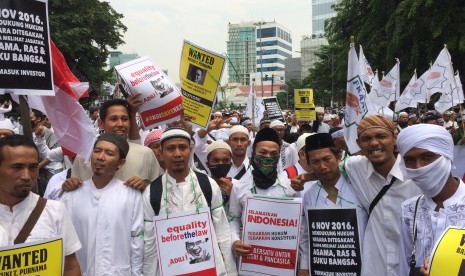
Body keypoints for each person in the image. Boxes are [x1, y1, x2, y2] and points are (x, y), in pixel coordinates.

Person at [292, 115, 420, 275]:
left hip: (409, 265)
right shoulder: (356, 169)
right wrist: (305, 177)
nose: (374, 143)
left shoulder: (416, 175)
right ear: (359, 144)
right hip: (374, 267)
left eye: (381, 136)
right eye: (366, 138)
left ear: (394, 138)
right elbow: (327, 170)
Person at [142, 128, 237, 275]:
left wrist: (231, 272)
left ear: (190, 150)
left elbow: (222, 233)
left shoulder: (208, 185)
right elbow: (150, 244)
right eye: (171, 148)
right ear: (161, 152)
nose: (177, 154)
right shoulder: (152, 192)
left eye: (183, 147)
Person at [60, 133, 143, 275]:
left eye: (109, 153)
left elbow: (137, 242)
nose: (100, 157)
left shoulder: (131, 195)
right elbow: (62, 241)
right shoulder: (71, 195)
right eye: (97, 151)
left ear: (120, 163)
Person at [0, 134, 81, 275]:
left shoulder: (55, 211)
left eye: (32, 167)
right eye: (17, 167)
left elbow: (70, 266)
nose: (26, 176)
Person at [397, 124, 465, 275]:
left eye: (427, 156)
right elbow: (404, 265)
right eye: (409, 160)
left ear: (446, 155)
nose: (419, 167)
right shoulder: (409, 209)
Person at [298, 133, 368, 275]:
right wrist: (304, 267)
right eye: (315, 162)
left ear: (338, 157)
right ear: (309, 164)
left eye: (327, 159)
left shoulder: (360, 186)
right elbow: (306, 236)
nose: (322, 166)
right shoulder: (309, 195)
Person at [228, 128, 299, 257]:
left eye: (273, 154)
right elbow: (234, 219)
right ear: (254, 153)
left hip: (283, 261)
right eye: (263, 152)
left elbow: (301, 227)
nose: (268, 157)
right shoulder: (239, 187)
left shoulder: (290, 187)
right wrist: (235, 241)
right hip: (251, 260)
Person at [64, 98, 161, 191]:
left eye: (124, 119)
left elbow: (161, 189)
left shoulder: (146, 154)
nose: (120, 124)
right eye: (114, 119)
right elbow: (74, 190)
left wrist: (145, 186)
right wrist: (69, 185)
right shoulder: (83, 156)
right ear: (101, 123)